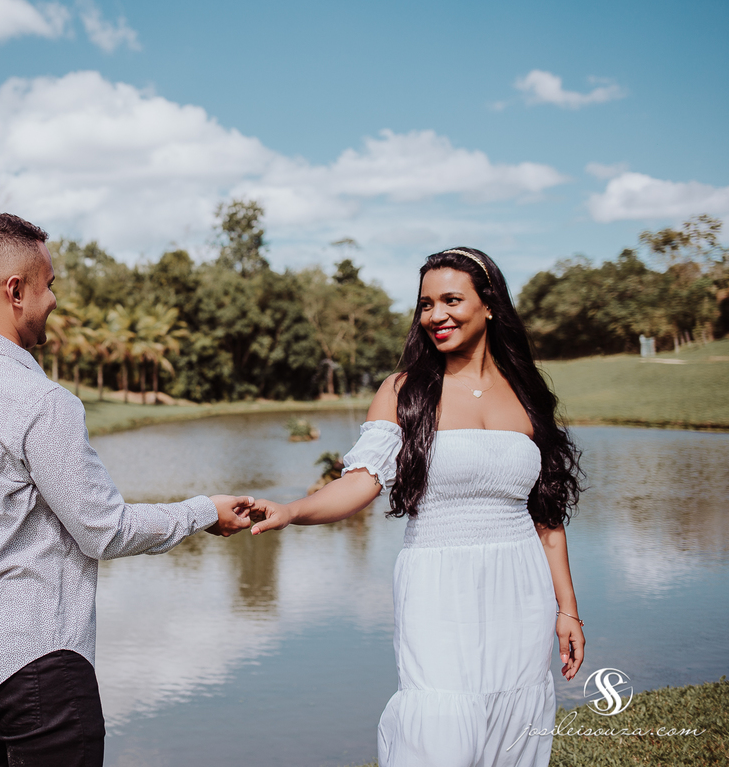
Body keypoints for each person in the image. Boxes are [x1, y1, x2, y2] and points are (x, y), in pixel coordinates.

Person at [0, 213, 255, 767]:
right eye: (48, 285)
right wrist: (203, 511)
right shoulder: (42, 401)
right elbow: (103, 531)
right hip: (38, 669)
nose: (55, 300)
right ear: (15, 291)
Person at [250, 247, 584, 766]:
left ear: (490, 304)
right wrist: (292, 510)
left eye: (452, 300)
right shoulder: (404, 391)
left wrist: (567, 610)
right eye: (426, 304)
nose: (435, 315)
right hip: (437, 584)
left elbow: (547, 517)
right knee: (438, 726)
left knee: (513, 723)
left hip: (520, 586)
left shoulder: (526, 392)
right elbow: (361, 483)